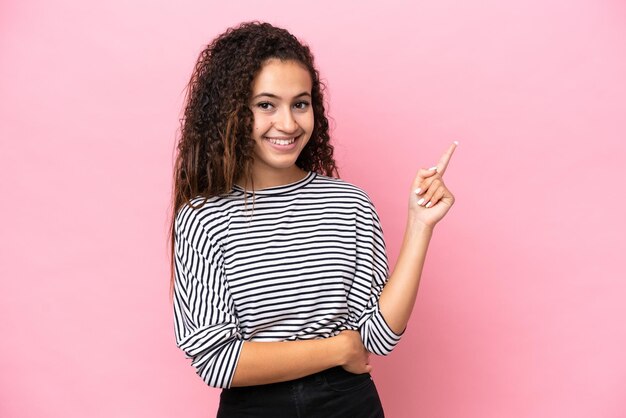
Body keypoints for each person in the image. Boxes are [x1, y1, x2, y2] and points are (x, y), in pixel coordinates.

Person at [169, 21, 457, 417]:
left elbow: (378, 336)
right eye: (266, 104)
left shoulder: (348, 204)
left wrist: (420, 226)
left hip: (349, 403)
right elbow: (217, 361)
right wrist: (338, 348)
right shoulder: (204, 217)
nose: (287, 124)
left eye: (300, 103)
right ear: (233, 112)